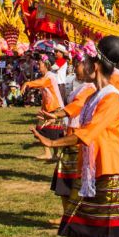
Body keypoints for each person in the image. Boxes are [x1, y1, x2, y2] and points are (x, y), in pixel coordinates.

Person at [32, 35, 119, 237]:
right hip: (91, 169)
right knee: (72, 226)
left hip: (108, 169)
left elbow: (88, 134)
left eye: (88, 60)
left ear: (98, 64)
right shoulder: (94, 96)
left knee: (106, 235)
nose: (83, 65)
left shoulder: (112, 97)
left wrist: (52, 142)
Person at [38, 47, 98, 219]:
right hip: (71, 136)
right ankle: (68, 215)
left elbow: (77, 106)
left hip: (78, 140)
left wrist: (58, 114)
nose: (74, 67)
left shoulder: (89, 89)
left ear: (87, 66)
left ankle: (72, 215)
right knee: (64, 181)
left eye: (78, 64)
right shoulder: (82, 86)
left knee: (70, 181)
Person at [23, 55, 66, 160]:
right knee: (52, 131)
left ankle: (50, 154)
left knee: (46, 130)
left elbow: (41, 83)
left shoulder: (50, 77)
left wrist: (27, 83)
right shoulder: (48, 76)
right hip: (50, 107)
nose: (38, 65)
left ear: (46, 65)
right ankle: (53, 154)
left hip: (55, 108)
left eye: (40, 64)